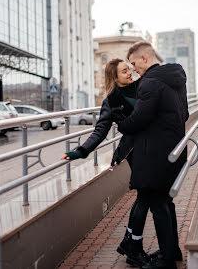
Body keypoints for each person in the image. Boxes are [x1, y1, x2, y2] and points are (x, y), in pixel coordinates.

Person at [61, 58, 152, 268]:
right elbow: (100, 131)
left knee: (146, 195)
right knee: (145, 193)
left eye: (129, 69)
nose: (130, 73)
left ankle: (131, 244)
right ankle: (133, 248)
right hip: (135, 150)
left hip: (153, 146)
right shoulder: (111, 101)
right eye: (124, 71)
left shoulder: (143, 86)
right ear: (115, 77)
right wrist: (81, 151)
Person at [117, 41, 189, 269]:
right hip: (174, 149)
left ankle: (167, 261)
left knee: (158, 204)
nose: (133, 68)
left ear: (145, 59)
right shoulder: (175, 79)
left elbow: (139, 119)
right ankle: (172, 251)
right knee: (165, 201)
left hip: (154, 153)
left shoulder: (149, 83)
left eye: (134, 62)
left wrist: (121, 123)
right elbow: (185, 114)